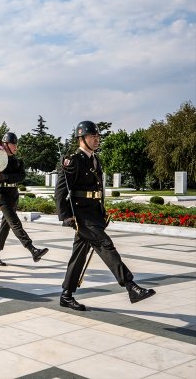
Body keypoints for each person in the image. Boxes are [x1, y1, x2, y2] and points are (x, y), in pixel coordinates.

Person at [56, 120, 156, 311]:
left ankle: (66, 295)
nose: (97, 139)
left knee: (79, 255)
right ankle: (130, 286)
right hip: (81, 215)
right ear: (82, 138)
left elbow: (98, 190)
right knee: (105, 245)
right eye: (93, 136)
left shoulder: (95, 159)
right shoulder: (73, 159)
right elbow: (61, 190)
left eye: (98, 136)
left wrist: (102, 213)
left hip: (94, 214)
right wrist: (66, 216)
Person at [0, 132, 48, 266]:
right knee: (15, 223)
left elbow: (21, 176)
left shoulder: (17, 162)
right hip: (2, 196)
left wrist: (5, 176)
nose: (16, 146)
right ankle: (32, 249)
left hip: (13, 195)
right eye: (13, 144)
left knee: (5, 227)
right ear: (5, 145)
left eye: (16, 144)